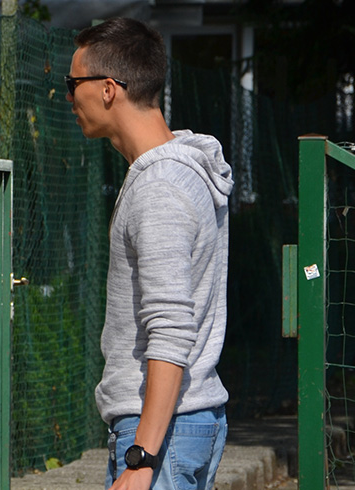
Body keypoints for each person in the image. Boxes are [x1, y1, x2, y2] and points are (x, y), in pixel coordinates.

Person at [65, 17, 233, 490]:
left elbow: (171, 328)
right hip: (184, 423)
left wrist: (142, 457)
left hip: (162, 433)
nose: (68, 97)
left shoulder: (160, 187)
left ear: (108, 89)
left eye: (73, 84)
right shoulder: (180, 172)